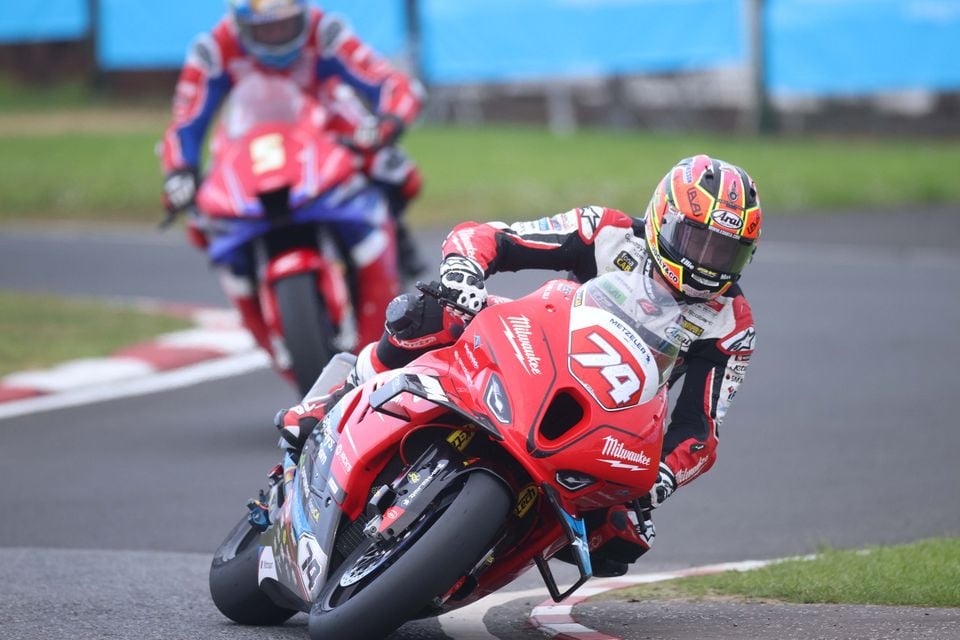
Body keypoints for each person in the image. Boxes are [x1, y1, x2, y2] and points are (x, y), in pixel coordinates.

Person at [275, 154, 762, 577]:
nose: (707, 263)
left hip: (614, 417)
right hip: (539, 346)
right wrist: (463, 271)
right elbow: (491, 237)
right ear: (664, 218)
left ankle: (478, 558)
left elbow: (699, 431)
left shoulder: (731, 324)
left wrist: (663, 477)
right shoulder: (608, 232)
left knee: (621, 536)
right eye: (698, 241)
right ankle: (332, 400)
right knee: (428, 313)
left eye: (725, 252)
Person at [159, 0, 427, 356]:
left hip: (326, 126)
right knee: (199, 217)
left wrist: (389, 120)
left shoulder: (326, 31)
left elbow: (387, 81)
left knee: (396, 170)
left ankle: (400, 250)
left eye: (285, 26)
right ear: (241, 25)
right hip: (246, 144)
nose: (277, 37)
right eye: (265, 29)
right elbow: (186, 120)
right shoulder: (213, 49)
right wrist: (179, 170)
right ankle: (245, 282)